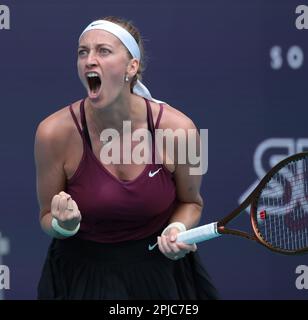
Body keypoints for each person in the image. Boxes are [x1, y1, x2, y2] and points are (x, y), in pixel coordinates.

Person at [35, 16, 218, 300]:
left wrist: (176, 228)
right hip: (79, 275)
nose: (89, 60)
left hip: (161, 273)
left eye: (103, 51)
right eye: (83, 52)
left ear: (131, 68)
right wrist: (63, 225)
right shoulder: (52, 133)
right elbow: (47, 215)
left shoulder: (182, 130)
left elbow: (191, 202)